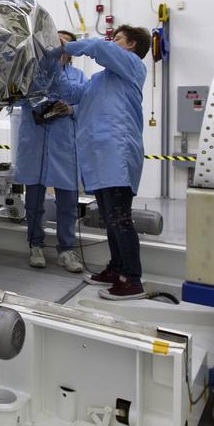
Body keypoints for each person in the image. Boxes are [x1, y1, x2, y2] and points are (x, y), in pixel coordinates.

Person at [61, 24, 150, 299]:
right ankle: (115, 268)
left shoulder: (132, 65)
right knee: (110, 220)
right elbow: (73, 94)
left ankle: (132, 280)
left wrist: (64, 45)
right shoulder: (101, 79)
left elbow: (100, 47)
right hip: (99, 157)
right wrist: (55, 63)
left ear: (132, 45)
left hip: (116, 153)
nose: (113, 41)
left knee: (120, 219)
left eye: (118, 38)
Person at [11, 30, 85, 271]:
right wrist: (38, 103)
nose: (58, 46)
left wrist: (70, 109)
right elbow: (16, 100)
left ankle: (67, 250)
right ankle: (35, 245)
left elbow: (86, 105)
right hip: (35, 142)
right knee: (34, 202)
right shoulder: (33, 74)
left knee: (67, 202)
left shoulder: (78, 77)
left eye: (63, 43)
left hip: (64, 145)